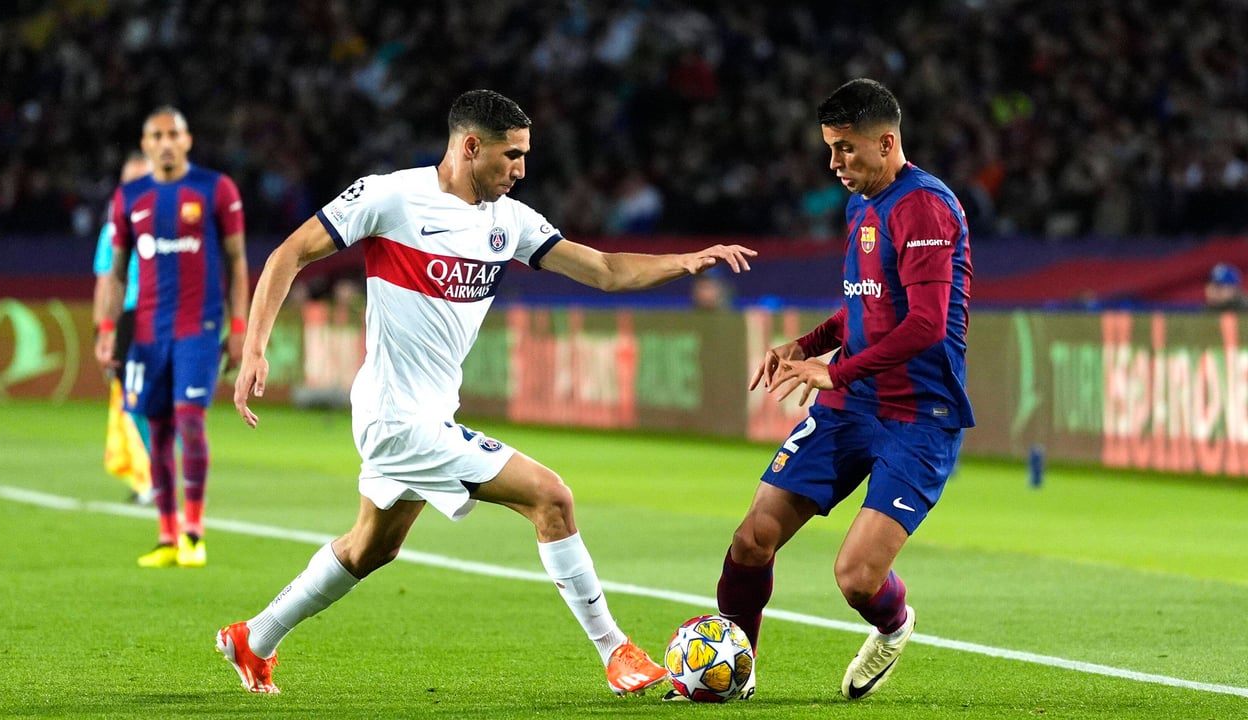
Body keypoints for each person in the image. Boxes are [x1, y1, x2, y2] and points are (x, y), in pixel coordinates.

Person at [215, 89, 756, 696]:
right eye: (512, 155)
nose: (521, 169)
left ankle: (254, 637)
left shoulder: (510, 221)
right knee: (551, 498)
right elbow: (288, 253)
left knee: (370, 549)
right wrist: (254, 347)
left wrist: (685, 261)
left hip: (427, 412)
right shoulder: (390, 197)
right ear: (471, 146)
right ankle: (615, 650)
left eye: (525, 156)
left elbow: (604, 271)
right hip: (398, 418)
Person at [697, 78, 974, 702]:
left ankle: (894, 624)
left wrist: (837, 371)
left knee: (855, 578)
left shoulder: (924, 207)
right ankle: (734, 672)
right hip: (851, 406)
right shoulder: (861, 205)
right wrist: (807, 344)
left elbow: (927, 324)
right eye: (830, 148)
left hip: (918, 415)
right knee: (751, 539)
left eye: (845, 148)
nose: (834, 163)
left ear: (886, 142)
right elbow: (864, 306)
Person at [94, 106, 250, 569]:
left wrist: (239, 327)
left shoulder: (216, 189)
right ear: (145, 144)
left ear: (187, 140)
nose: (165, 143)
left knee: (189, 421)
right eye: (156, 135)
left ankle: (194, 533)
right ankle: (166, 536)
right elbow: (115, 273)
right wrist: (107, 329)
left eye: (173, 134)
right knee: (157, 428)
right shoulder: (129, 197)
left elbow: (237, 262)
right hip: (146, 333)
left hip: (198, 328)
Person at [93, 151, 155, 505]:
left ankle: (155, 476)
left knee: (158, 400)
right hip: (127, 323)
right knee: (133, 401)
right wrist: (102, 331)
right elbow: (105, 283)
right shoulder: (113, 230)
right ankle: (150, 476)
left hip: (162, 319)